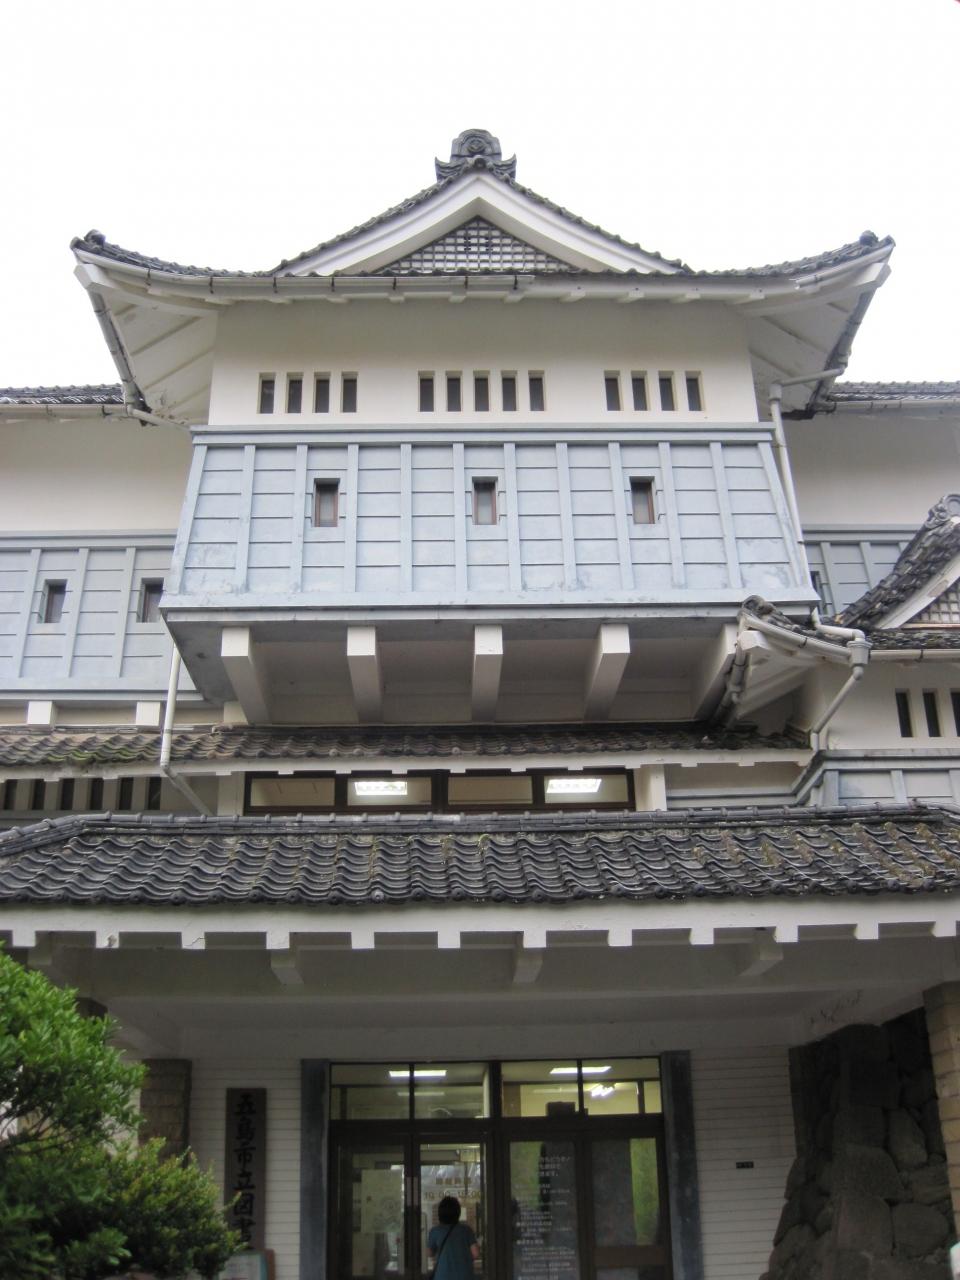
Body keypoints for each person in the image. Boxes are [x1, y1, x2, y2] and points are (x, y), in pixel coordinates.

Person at [427, 1196, 479, 1280]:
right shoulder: (466, 1230)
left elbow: (430, 1253)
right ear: (458, 1213)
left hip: (442, 1275)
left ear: (440, 1213)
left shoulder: (435, 1231)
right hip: (464, 1275)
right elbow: (476, 1253)